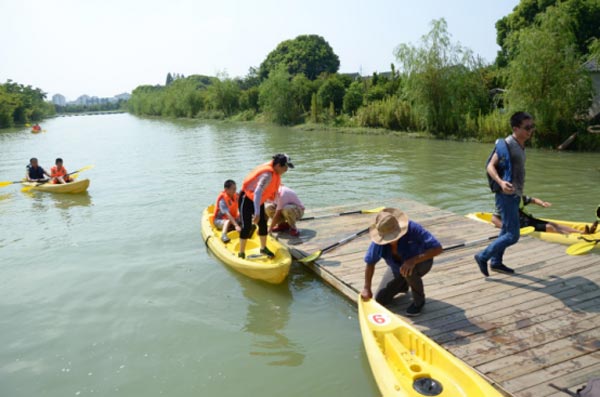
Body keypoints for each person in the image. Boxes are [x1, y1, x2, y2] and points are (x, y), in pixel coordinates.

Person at [475, 111, 534, 277]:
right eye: (527, 127)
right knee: (512, 235)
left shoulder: (521, 145)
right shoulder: (507, 144)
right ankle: (482, 256)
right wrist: (501, 183)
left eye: (532, 127)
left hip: (514, 195)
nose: (530, 130)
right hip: (505, 196)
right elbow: (490, 166)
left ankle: (496, 262)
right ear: (515, 128)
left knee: (505, 231)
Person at [360, 208, 443, 317]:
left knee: (408, 271)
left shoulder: (413, 228)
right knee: (381, 299)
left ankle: (419, 301)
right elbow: (370, 263)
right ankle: (403, 285)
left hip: (422, 262)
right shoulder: (378, 241)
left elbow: (438, 249)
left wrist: (413, 260)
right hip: (396, 267)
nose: (391, 240)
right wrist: (367, 288)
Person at [238, 154, 294, 259]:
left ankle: (263, 248)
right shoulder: (268, 174)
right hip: (246, 199)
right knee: (246, 226)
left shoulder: (274, 171)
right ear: (278, 165)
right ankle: (241, 252)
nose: (286, 170)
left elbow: (262, 194)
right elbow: (258, 192)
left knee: (263, 224)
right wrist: (257, 213)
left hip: (258, 200)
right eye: (285, 167)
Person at [491, 195, 597, 235]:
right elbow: (494, 219)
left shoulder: (518, 197)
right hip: (521, 226)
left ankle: (581, 232)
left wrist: (542, 203)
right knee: (551, 227)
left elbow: (533, 199)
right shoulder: (503, 201)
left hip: (529, 220)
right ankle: (576, 236)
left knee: (554, 224)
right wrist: (506, 228)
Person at [211, 179, 241, 243]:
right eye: (233, 189)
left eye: (235, 188)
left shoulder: (236, 195)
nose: (235, 191)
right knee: (227, 221)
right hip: (220, 220)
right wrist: (236, 225)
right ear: (226, 189)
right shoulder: (222, 200)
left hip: (233, 218)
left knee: (244, 216)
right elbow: (228, 215)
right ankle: (223, 235)